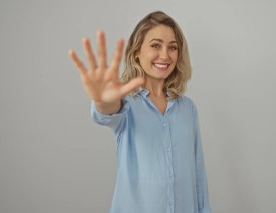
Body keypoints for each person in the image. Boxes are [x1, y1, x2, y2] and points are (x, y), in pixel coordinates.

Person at [69, 11, 211, 213]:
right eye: (155, 45)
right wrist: (102, 100)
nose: (165, 55)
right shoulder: (126, 104)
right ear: (137, 51)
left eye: (172, 47)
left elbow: (198, 176)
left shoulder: (188, 109)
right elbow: (107, 112)